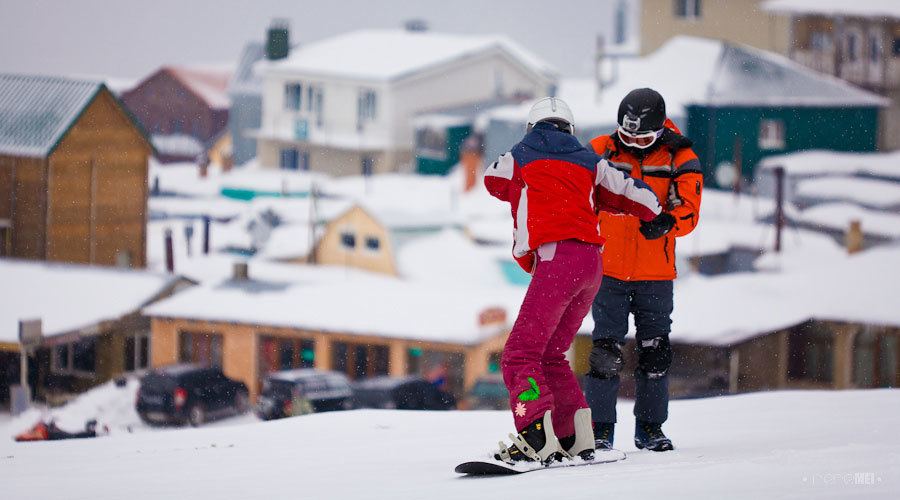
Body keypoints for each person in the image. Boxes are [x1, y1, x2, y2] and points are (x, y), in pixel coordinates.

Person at [484, 96, 669, 464]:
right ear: (570, 128)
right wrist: (655, 216)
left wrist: (530, 188)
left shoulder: (521, 153)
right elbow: (634, 193)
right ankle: (575, 437)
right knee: (551, 354)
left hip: (557, 259)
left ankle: (534, 435)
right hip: (591, 265)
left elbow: (493, 179)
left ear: (531, 127)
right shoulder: (590, 160)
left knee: (520, 355)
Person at [583, 88, 703, 452]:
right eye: (627, 134)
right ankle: (599, 429)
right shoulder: (599, 149)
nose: (633, 142)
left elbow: (690, 208)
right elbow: (576, 192)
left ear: (659, 130)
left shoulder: (681, 156)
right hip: (608, 270)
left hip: (655, 272)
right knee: (605, 352)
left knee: (655, 352)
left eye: (643, 137)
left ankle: (650, 428)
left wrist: (668, 222)